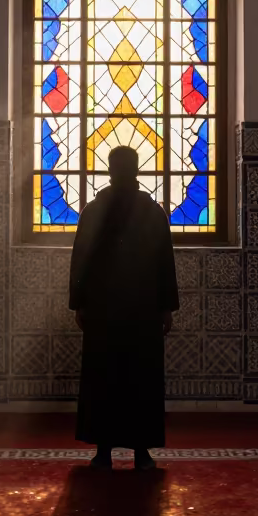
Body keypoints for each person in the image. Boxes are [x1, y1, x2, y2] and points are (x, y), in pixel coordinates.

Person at [69, 146, 179, 471]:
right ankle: (141, 452)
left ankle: (103, 452)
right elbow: (164, 264)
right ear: (137, 169)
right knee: (140, 379)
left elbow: (80, 262)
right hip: (142, 310)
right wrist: (166, 308)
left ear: (110, 170)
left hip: (104, 311)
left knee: (104, 378)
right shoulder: (152, 212)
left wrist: (79, 304)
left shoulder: (94, 210)